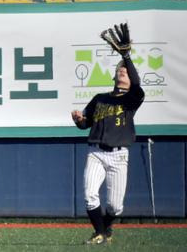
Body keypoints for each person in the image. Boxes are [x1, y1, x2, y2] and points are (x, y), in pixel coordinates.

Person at [71, 23, 144, 245]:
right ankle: (100, 233)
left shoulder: (131, 100)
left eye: (125, 72)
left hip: (119, 156)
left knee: (115, 206)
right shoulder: (100, 98)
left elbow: (138, 84)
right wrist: (79, 121)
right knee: (89, 194)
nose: (122, 72)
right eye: (119, 70)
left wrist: (126, 57)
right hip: (96, 152)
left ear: (130, 79)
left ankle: (105, 227)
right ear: (113, 77)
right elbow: (85, 125)